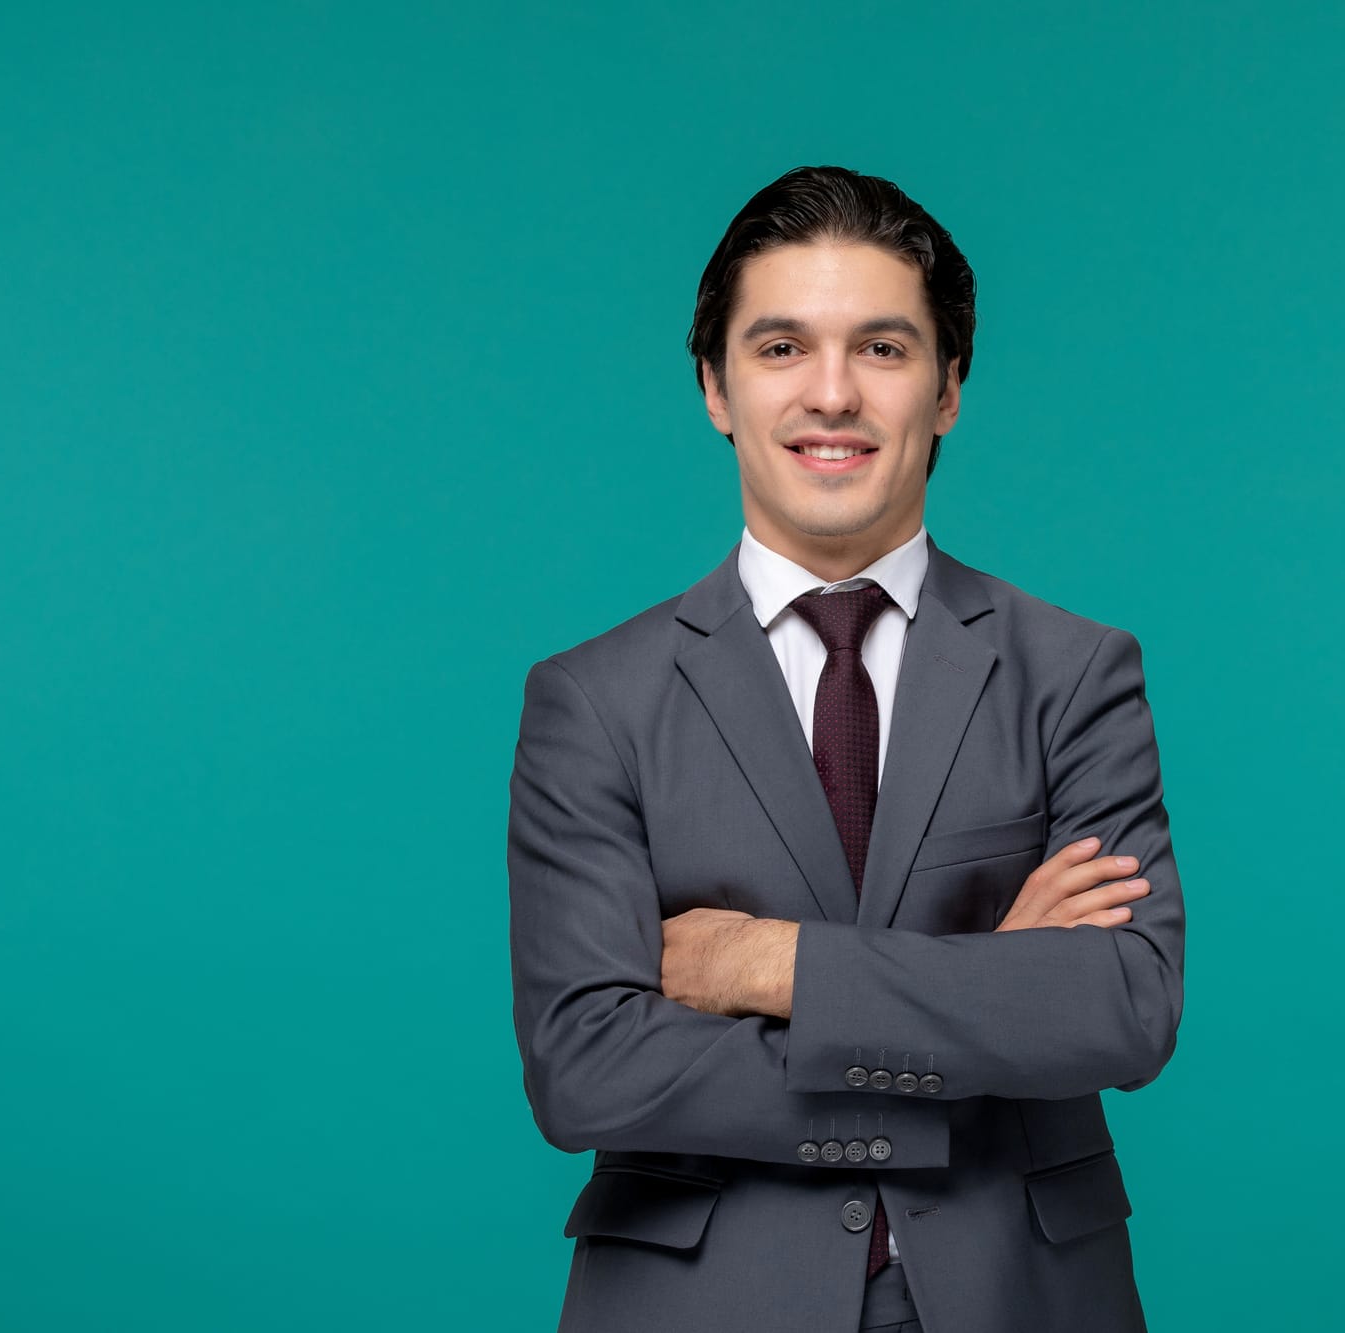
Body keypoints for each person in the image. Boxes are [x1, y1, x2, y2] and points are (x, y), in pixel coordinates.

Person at [507, 165, 1183, 1333]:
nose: (832, 396)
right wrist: (983, 991)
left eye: (881, 348)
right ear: (715, 387)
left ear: (948, 388)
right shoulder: (592, 699)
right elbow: (586, 1067)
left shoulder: (1073, 671)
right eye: (780, 349)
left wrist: (762, 965)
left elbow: (1119, 1006)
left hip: (1025, 1297)